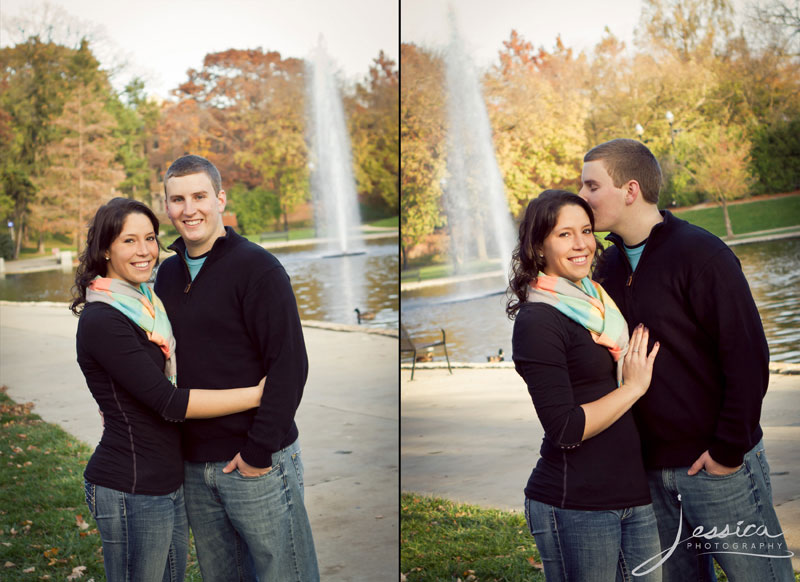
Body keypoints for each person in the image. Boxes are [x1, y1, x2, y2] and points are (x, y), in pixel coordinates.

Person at [580, 138, 793, 581]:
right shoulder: (607, 269)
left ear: (630, 190)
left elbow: (748, 357)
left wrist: (728, 452)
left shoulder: (702, 254)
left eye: (591, 186)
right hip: (649, 478)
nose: (582, 198)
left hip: (717, 469)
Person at [73, 197, 266, 582]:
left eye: (150, 237)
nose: (144, 250)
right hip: (131, 487)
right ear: (106, 248)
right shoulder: (103, 319)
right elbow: (168, 401)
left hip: (165, 481)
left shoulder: (145, 303)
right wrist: (259, 394)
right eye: (129, 241)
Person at [154, 154, 319, 581]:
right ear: (166, 206)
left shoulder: (258, 269)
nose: (189, 209)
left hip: (256, 462)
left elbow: (290, 366)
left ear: (220, 199)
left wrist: (257, 451)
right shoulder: (166, 275)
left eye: (199, 196)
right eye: (177, 199)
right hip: (193, 466)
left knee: (285, 574)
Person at [508, 189, 662, 582]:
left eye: (587, 231)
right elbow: (565, 428)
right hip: (575, 502)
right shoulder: (538, 320)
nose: (581, 244)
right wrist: (632, 388)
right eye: (564, 234)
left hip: (633, 492)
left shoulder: (597, 300)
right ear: (539, 247)